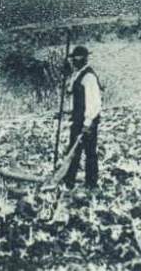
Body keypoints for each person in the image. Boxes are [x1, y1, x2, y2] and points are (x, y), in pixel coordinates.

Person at [63, 45, 101, 189]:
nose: (73, 61)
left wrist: (88, 122)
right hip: (79, 119)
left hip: (87, 120)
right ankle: (69, 181)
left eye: (76, 58)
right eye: (73, 58)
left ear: (84, 59)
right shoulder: (78, 74)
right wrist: (66, 74)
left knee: (89, 152)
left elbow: (95, 102)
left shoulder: (89, 77)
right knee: (74, 151)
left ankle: (91, 183)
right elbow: (69, 90)